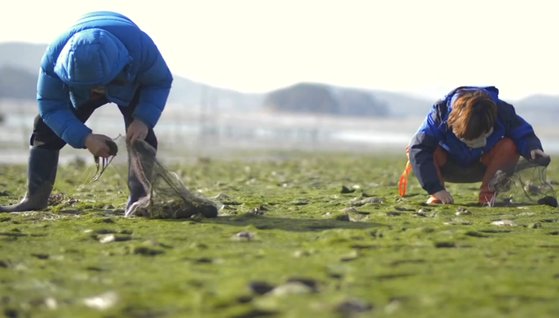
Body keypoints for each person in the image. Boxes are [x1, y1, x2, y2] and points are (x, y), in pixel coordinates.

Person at [0, 11, 173, 212]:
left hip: (127, 81)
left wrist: (143, 119)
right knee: (45, 127)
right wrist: (85, 138)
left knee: (140, 136)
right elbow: (50, 106)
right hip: (78, 88)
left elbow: (160, 81)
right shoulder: (53, 59)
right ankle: (34, 199)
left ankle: (139, 200)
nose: (97, 92)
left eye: (99, 86)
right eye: (92, 88)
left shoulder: (141, 48)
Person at [399, 86, 550, 206]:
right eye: (465, 138)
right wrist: (435, 188)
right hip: (447, 165)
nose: (471, 143)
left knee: (510, 145)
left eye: (477, 138)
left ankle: (488, 196)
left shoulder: (502, 112)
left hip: (484, 166)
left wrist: (533, 149)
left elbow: (522, 133)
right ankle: (437, 197)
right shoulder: (440, 113)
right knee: (418, 148)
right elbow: (418, 147)